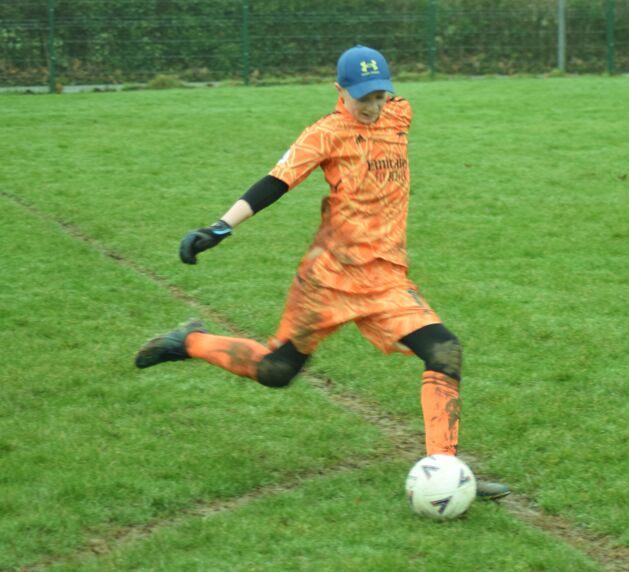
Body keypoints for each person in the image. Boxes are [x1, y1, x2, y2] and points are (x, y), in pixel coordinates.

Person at [135, 45, 509, 500]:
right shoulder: (325, 134)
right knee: (276, 370)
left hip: (386, 279)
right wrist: (220, 227)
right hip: (329, 279)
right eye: (362, 97)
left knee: (445, 350)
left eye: (379, 96)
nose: (372, 106)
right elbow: (276, 181)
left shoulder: (399, 114)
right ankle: (190, 340)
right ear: (340, 90)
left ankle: (445, 470)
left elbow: (391, 103)